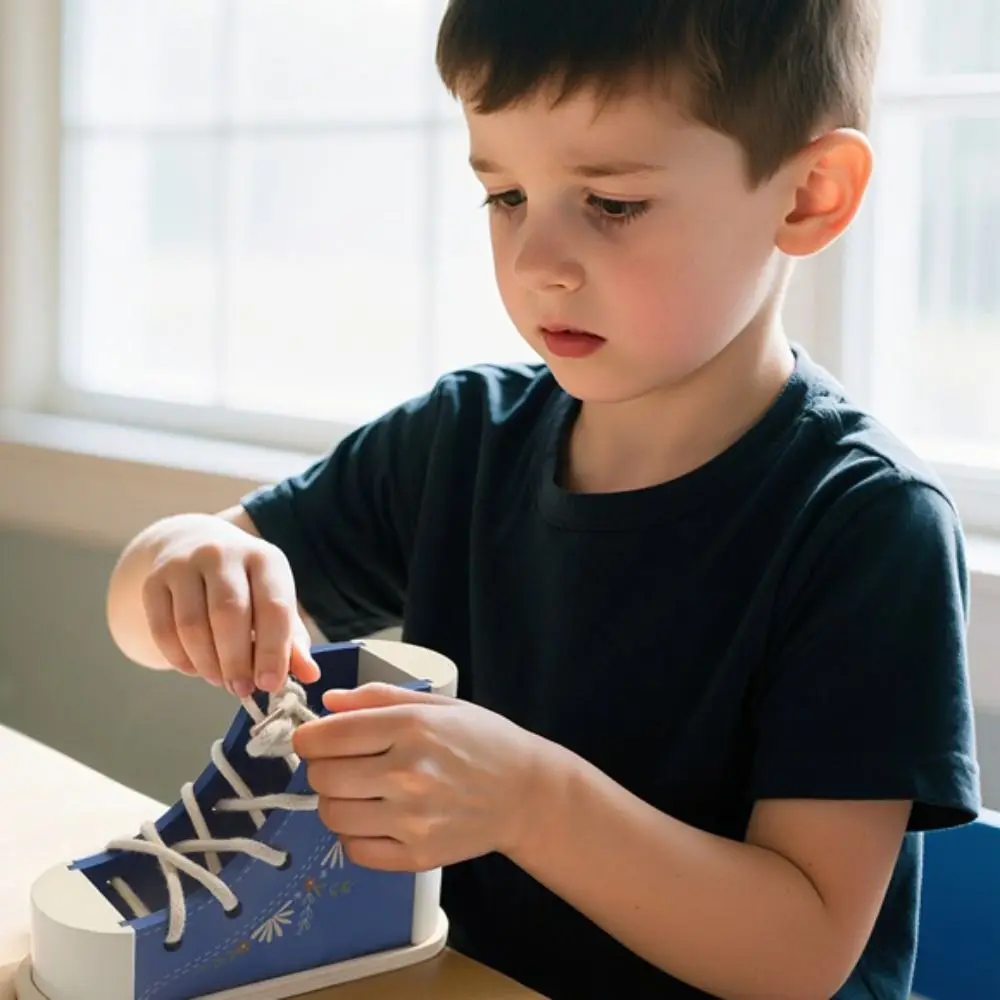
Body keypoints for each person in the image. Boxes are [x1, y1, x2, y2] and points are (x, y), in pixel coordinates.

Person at [105, 2, 981, 998]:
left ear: (807, 195)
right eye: (507, 195)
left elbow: (800, 952)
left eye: (611, 204)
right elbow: (142, 613)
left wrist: (531, 799)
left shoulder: (866, 524)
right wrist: (182, 558)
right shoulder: (461, 438)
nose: (535, 264)